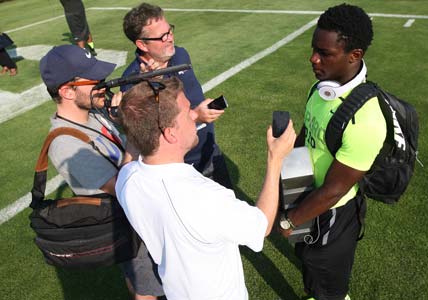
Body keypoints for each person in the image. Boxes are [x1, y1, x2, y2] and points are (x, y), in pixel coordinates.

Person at [116, 77, 296, 300]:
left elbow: (131, 155)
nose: (195, 115)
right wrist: (275, 159)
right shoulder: (203, 197)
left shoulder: (127, 178)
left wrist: (137, 120)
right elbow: (261, 226)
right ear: (170, 133)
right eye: (188, 111)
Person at [278, 4, 387, 300]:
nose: (313, 59)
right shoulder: (321, 88)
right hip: (305, 193)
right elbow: (307, 134)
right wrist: (285, 183)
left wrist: (291, 219)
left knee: (328, 278)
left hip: (333, 214)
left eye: (324, 53)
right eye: (314, 49)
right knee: (309, 259)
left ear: (355, 56)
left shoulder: (366, 120)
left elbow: (334, 189)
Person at [39, 45, 164, 300]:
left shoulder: (93, 112)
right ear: (67, 91)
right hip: (127, 226)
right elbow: (123, 186)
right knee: (147, 289)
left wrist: (147, 87)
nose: (104, 85)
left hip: (144, 216)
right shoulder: (65, 143)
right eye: (95, 80)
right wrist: (131, 130)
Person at [121, 3, 232, 189]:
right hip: (179, 172)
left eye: (169, 31)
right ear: (141, 44)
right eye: (162, 36)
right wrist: (196, 116)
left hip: (210, 152)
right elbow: (149, 138)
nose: (170, 38)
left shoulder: (180, 55)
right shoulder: (132, 84)